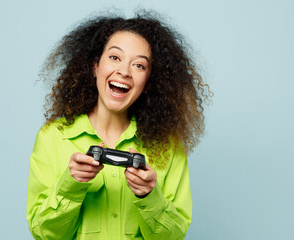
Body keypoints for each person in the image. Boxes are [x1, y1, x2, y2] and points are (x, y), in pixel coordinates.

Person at [27, 11, 212, 240]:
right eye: (115, 57)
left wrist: (150, 197)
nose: (124, 71)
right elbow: (45, 234)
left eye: (139, 65)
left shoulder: (169, 146)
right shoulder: (52, 138)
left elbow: (172, 237)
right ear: (95, 66)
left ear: (148, 83)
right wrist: (71, 186)